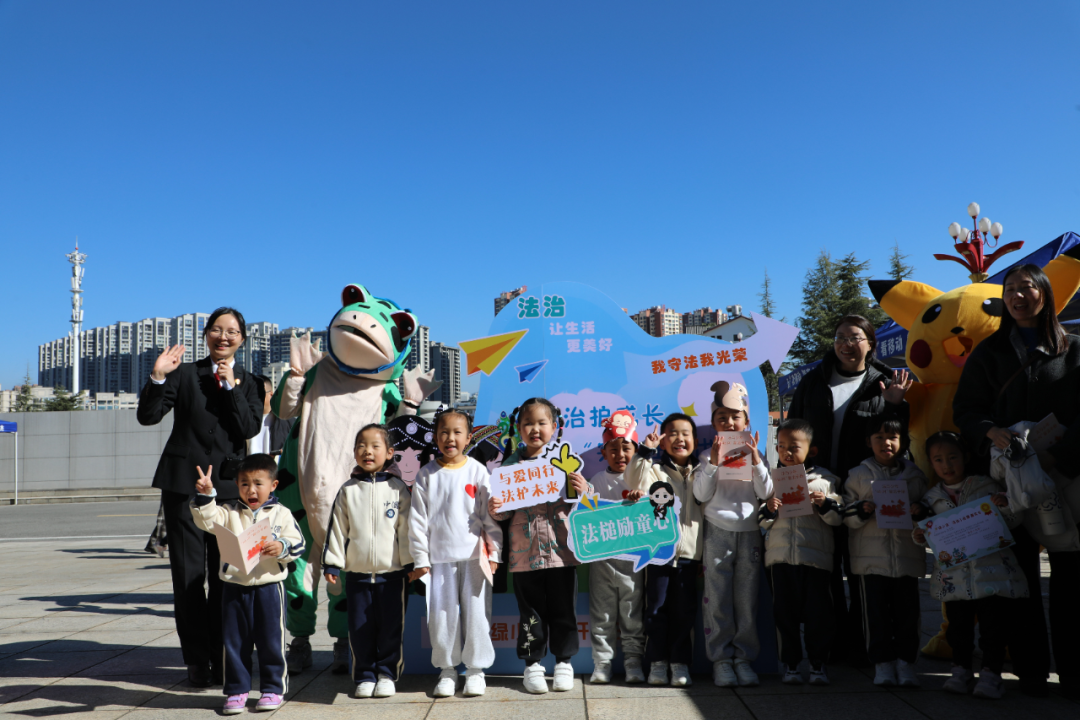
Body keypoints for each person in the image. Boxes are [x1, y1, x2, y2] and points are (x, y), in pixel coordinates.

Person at [953, 263, 1080, 697]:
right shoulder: (988, 353)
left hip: (1066, 478)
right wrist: (990, 431)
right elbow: (965, 410)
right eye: (1009, 289)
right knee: (1020, 577)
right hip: (1011, 482)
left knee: (1071, 577)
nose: (1017, 296)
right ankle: (1030, 671)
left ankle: (1074, 671)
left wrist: (1059, 457)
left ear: (1045, 293)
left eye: (1026, 287)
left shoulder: (1074, 350)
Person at [137, 307, 263, 687]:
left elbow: (248, 427)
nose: (223, 337)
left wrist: (232, 387)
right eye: (216, 330)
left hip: (228, 491)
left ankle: (224, 658)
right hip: (183, 487)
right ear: (206, 334)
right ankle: (196, 660)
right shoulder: (185, 373)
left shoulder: (252, 382)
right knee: (188, 578)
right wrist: (158, 376)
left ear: (242, 339)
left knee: (227, 578)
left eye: (232, 332)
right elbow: (148, 416)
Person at [787, 314, 912, 664]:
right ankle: (830, 643)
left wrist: (895, 404)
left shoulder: (884, 382)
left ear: (870, 343)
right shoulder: (813, 381)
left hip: (863, 490)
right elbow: (793, 431)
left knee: (862, 569)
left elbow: (895, 438)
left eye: (855, 337)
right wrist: (791, 479)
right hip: (821, 487)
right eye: (840, 337)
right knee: (823, 569)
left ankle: (862, 642)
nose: (846, 344)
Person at [487, 398, 590, 695]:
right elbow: (504, 514)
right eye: (528, 423)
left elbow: (585, 504)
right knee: (530, 613)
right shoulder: (508, 468)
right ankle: (532, 665)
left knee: (563, 610)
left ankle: (564, 663)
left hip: (562, 553)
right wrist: (496, 509)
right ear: (518, 429)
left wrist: (585, 491)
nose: (535, 429)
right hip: (524, 555)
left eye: (542, 423)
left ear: (554, 427)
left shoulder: (566, 462)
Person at [189, 455, 305, 714]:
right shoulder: (228, 511)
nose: (251, 490)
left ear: (273, 485)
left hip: (269, 588)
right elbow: (205, 520)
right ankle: (236, 690)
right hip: (234, 588)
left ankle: (273, 688)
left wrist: (282, 546)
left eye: (258, 484)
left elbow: (298, 542)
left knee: (271, 641)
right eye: (244, 484)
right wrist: (207, 496)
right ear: (236, 485)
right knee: (234, 642)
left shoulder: (281, 513)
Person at [915, 431, 1027, 700]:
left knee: (993, 627)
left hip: (991, 573)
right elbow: (928, 535)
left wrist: (1006, 505)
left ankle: (991, 675)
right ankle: (961, 670)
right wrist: (918, 535)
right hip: (954, 579)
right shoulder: (931, 498)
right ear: (931, 463)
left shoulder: (987, 487)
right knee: (957, 628)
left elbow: (1014, 522)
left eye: (952, 457)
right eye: (938, 459)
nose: (946, 465)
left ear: (965, 457)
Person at [409, 410, 502, 698]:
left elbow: (489, 517)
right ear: (436, 437)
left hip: (475, 558)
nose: (450, 438)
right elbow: (417, 522)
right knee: (441, 617)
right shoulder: (426, 475)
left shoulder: (477, 471)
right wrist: (421, 559)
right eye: (444, 432)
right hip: (438, 561)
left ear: (468, 437)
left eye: (457, 432)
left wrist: (495, 552)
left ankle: (475, 670)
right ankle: (447, 671)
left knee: (477, 615)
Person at [322, 424, 414, 699]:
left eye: (375, 446)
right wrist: (332, 563)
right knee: (359, 629)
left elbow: (406, 530)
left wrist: (411, 564)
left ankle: (387, 674)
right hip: (358, 575)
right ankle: (364, 675)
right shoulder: (348, 490)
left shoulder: (398, 488)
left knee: (391, 629)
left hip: (393, 575)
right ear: (354, 452)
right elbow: (337, 529)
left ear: (390, 453)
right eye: (361, 446)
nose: (368, 451)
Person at [692, 387, 771, 687]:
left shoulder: (758, 455)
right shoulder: (705, 456)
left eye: (735, 417)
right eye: (721, 417)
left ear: (746, 421)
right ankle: (721, 660)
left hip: (750, 532)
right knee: (717, 598)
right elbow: (701, 495)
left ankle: (744, 659)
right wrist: (713, 462)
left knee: (747, 598)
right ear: (714, 424)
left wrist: (756, 460)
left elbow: (767, 493)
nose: (729, 422)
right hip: (716, 530)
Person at [842, 417, 928, 688]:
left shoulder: (915, 476)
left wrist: (920, 512)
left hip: (906, 557)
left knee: (908, 615)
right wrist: (860, 510)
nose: (886, 442)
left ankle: (906, 663)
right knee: (875, 616)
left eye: (892, 437)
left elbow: (928, 510)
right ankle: (882, 664)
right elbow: (845, 514)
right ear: (868, 442)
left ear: (903, 442)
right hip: (871, 560)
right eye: (879, 437)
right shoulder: (858, 474)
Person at [759, 419, 843, 686]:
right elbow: (761, 521)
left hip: (815, 559)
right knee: (784, 615)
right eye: (781, 446)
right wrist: (770, 509)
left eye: (794, 447)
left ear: (812, 450)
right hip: (781, 558)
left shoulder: (825, 480)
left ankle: (818, 664)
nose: (786, 452)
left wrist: (824, 504)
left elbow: (838, 518)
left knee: (819, 615)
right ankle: (791, 664)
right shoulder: (772, 480)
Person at [625, 413, 704, 688]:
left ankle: (680, 663)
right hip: (659, 553)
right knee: (656, 610)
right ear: (663, 441)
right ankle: (657, 663)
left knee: (684, 612)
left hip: (690, 555)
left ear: (695, 441)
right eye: (672, 433)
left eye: (685, 433)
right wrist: (645, 451)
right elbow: (633, 480)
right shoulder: (655, 470)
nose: (679, 439)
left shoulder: (703, 472)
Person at [586, 413, 647, 685]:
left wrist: (642, 499)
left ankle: (633, 661)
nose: (620, 454)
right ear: (603, 453)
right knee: (602, 614)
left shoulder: (643, 477)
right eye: (613, 449)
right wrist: (584, 494)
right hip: (603, 559)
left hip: (634, 560)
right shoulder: (598, 479)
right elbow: (586, 513)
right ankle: (602, 662)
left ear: (636, 450)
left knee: (633, 614)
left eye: (626, 448)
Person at [247, 376, 295, 458]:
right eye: (251, 394)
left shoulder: (288, 421)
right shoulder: (243, 420)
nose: (255, 397)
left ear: (271, 394)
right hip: (248, 465)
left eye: (259, 393)